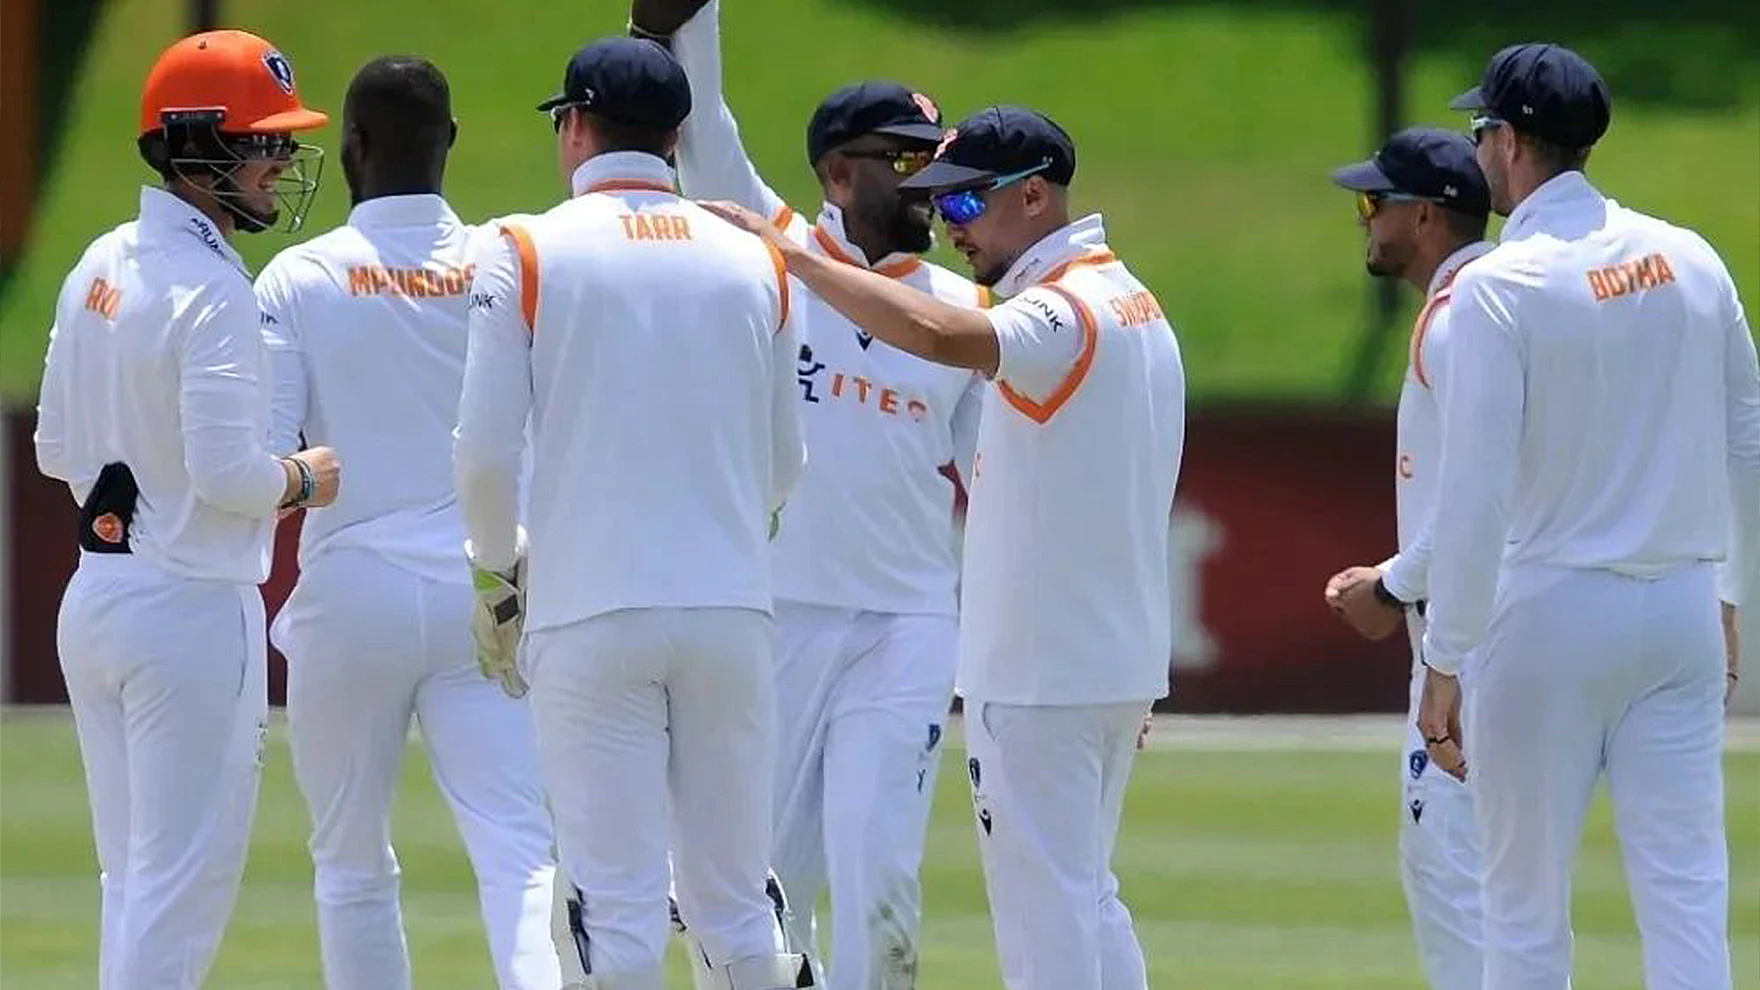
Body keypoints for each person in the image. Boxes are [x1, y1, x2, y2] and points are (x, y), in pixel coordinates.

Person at [703, 105, 1184, 990]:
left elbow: (936, 334)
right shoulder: (1137, 303)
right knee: (1087, 897)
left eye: (964, 206)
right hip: (1109, 662)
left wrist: (799, 258)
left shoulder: (1065, 311)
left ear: (1033, 196)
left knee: (1047, 924)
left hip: (1040, 672)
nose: (949, 230)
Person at [625, 2, 984, 984]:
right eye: (899, 158)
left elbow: (998, 488)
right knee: (747, 887)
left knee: (881, 879)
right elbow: (706, 132)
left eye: (932, 156)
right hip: (774, 618)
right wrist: (684, 22)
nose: (925, 179)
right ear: (836, 171)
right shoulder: (768, 246)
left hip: (906, 623)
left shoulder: (961, 311)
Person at [453, 36, 810, 990]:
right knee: (735, 901)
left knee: (610, 906)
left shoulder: (521, 248)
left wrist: (499, 569)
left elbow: (483, 454)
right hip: (732, 611)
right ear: (678, 136)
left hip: (589, 611)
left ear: (574, 127)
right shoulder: (758, 259)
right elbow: (786, 465)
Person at [1416, 42, 1760, 990]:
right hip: (1683, 608)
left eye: (1480, 130)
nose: (1476, 150)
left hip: (1551, 611)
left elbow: (1476, 487)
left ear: (1515, 143)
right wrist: (1731, 590)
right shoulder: (1691, 257)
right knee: (1690, 900)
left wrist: (1444, 656)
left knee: (1523, 914)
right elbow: (1748, 440)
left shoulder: (1497, 286)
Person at [33, 29, 339, 989]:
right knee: (180, 888)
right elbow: (231, 481)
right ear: (198, 147)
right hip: (194, 609)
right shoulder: (213, 292)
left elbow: (51, 449)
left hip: (97, 601)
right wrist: (304, 477)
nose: (283, 161)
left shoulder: (98, 263)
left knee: (134, 880)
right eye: (265, 142)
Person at [254, 56, 561, 990]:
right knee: (523, 856)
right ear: (452, 144)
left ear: (350, 145)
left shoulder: (296, 276)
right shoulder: (507, 262)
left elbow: (269, 467)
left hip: (351, 595)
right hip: (489, 592)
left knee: (348, 863)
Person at [1321, 127, 1492, 990]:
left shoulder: (1460, 321)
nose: (1363, 223)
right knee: (1508, 899)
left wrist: (1391, 582)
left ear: (1423, 215)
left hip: (1475, 640)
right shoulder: (1500, 304)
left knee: (1455, 880)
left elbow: (1482, 494)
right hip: (1498, 625)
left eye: (1371, 205)